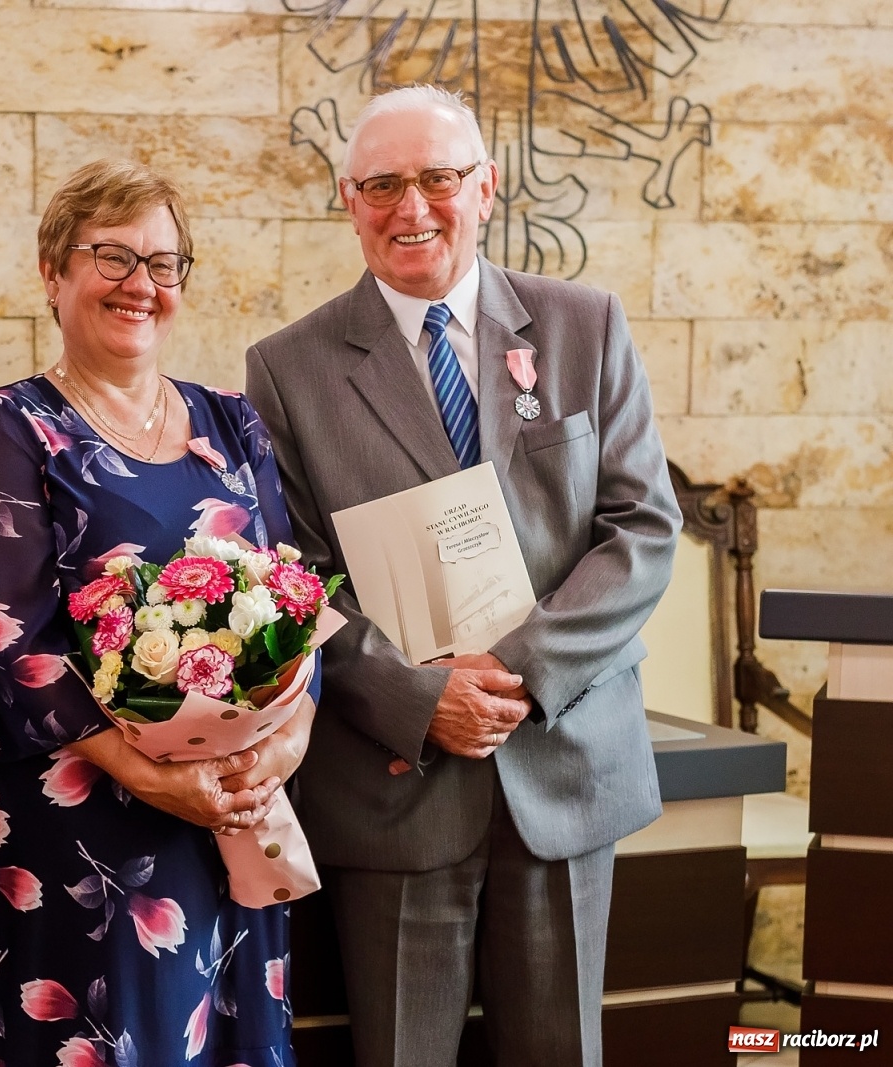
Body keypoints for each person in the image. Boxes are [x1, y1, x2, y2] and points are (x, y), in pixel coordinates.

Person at [246, 85, 680, 1066]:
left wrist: (514, 671)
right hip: (397, 780)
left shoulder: (585, 325)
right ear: (347, 200)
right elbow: (294, 576)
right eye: (382, 184)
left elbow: (642, 528)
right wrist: (418, 695)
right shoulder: (286, 367)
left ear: (485, 188)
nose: (413, 208)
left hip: (562, 764)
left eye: (438, 178)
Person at [0, 159, 314, 1065]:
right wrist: (148, 773)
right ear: (52, 273)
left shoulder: (234, 425)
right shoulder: (11, 428)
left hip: (229, 821)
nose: (140, 285)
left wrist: (280, 747)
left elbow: (300, 602)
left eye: (163, 262)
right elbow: (11, 640)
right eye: (111, 257)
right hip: (78, 828)